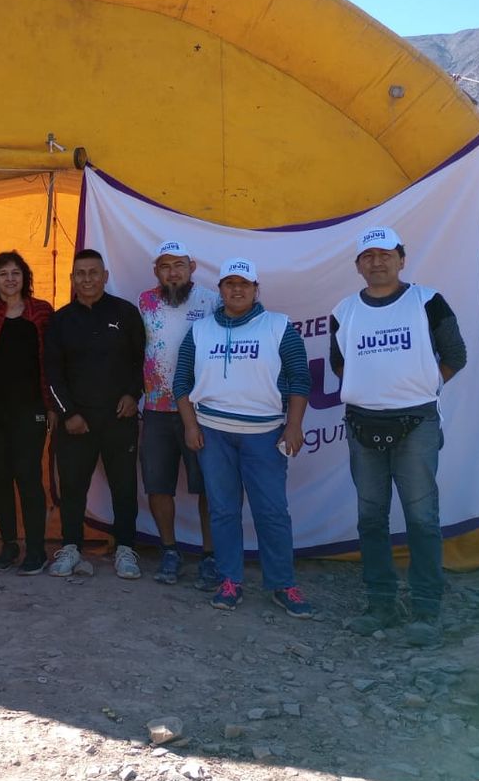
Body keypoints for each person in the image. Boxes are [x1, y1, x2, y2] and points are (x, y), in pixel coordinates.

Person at [330, 226, 467, 647]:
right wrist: (373, 390)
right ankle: (380, 604)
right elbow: (340, 365)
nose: (377, 262)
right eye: (368, 256)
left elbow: (455, 355)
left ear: (401, 259)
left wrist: (420, 388)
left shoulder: (427, 301)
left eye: (385, 254)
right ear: (357, 265)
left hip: (416, 424)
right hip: (362, 425)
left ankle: (426, 608)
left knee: (421, 517)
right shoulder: (344, 311)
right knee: (371, 518)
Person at [174, 257, 314, 618]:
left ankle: (282, 584)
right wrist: (190, 425)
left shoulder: (278, 326)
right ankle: (229, 580)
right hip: (213, 435)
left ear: (255, 289)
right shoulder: (200, 330)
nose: (237, 289)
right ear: (220, 290)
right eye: (230, 284)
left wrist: (294, 425)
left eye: (244, 284)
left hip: (263, 436)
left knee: (271, 512)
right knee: (223, 511)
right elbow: (182, 382)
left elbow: (300, 378)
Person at [44, 248, 146, 579]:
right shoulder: (60, 320)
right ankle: (70, 547)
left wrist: (133, 395)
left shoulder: (126, 313)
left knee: (124, 486)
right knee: (73, 487)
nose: (87, 279)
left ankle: (126, 548)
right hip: (76, 422)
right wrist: (68, 413)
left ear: (105, 276)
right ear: (72, 279)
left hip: (119, 418)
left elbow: (141, 362)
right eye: (80, 274)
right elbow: (52, 373)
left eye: (93, 273)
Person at [136, 240, 221, 588]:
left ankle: (211, 555)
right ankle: (169, 551)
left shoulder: (212, 301)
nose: (173, 273)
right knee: (158, 485)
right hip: (155, 409)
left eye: (179, 265)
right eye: (165, 266)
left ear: (192, 267)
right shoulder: (144, 302)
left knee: (209, 487)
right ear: (156, 271)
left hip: (201, 411)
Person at [0, 251, 55, 576]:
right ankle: (9, 544)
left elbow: (52, 361)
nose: (10, 279)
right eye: (3, 274)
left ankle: (36, 548)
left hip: (31, 408)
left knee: (28, 475)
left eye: (16, 273)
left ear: (25, 278)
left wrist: (51, 405)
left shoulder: (42, 312)